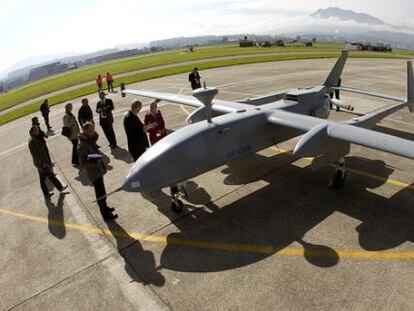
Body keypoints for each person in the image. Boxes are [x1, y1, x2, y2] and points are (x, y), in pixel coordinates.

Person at [78, 122, 117, 221]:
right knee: (100, 194)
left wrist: (102, 167)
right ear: (85, 131)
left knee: (103, 192)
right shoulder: (82, 145)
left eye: (93, 129)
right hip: (93, 173)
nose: (93, 132)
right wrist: (94, 161)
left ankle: (105, 208)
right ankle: (105, 214)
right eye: (91, 130)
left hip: (98, 170)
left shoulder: (89, 140)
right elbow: (83, 163)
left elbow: (96, 137)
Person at [28, 125, 67, 198]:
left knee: (46, 178)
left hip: (40, 163)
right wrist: (43, 163)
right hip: (41, 163)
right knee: (49, 177)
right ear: (33, 131)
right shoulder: (33, 140)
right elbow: (37, 154)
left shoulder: (33, 139)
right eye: (36, 130)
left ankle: (52, 191)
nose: (38, 131)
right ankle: (59, 188)